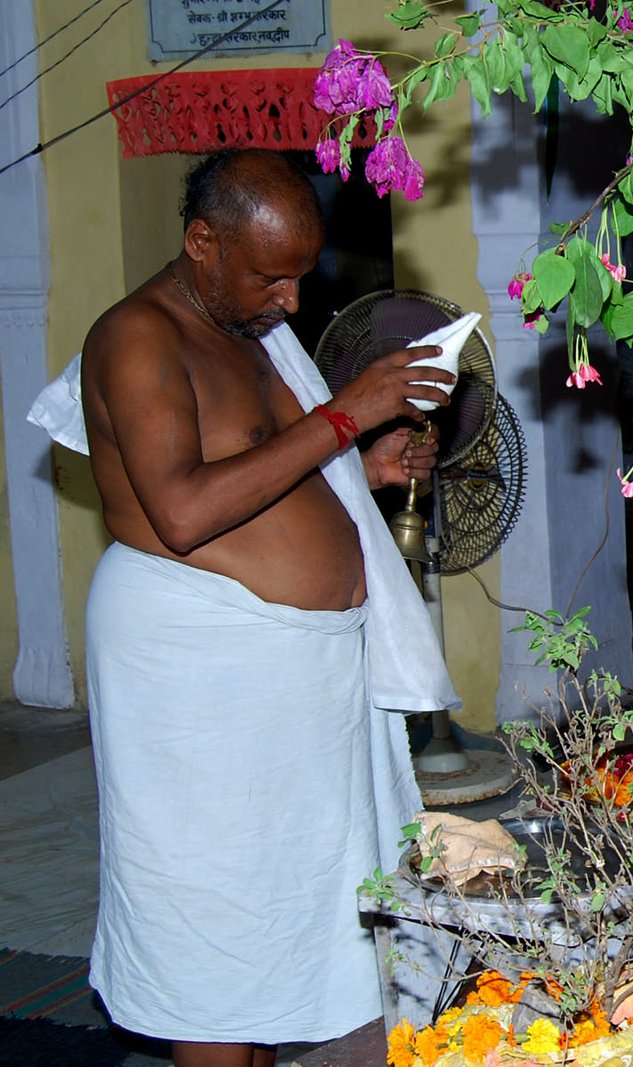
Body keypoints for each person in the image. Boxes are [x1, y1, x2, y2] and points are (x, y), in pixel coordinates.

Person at [33, 150, 459, 1067]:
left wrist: (367, 467)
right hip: (197, 667)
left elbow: (267, 459)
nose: (290, 301)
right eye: (272, 276)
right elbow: (181, 509)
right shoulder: (136, 337)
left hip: (290, 670)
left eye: (301, 277)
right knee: (215, 901)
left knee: (281, 895)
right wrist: (347, 417)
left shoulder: (247, 324)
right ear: (201, 243)